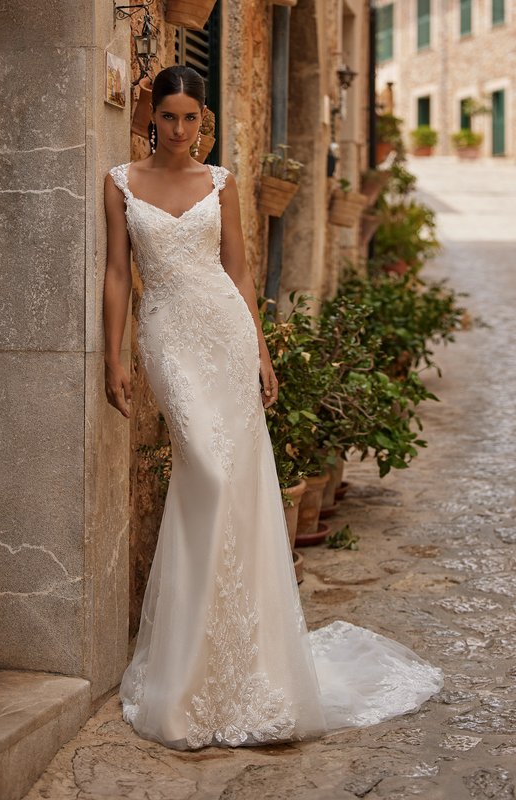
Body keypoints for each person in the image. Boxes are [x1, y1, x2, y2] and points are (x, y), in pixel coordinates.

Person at [103, 64, 443, 751]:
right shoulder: (121, 182)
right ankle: (187, 664)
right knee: (209, 472)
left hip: (225, 334)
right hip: (168, 335)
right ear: (152, 114)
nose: (178, 129)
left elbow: (239, 271)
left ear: (205, 122)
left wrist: (260, 349)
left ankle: (237, 659)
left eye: (191, 118)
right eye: (168, 116)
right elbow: (117, 273)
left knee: (234, 487)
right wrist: (113, 356)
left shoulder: (219, 184)